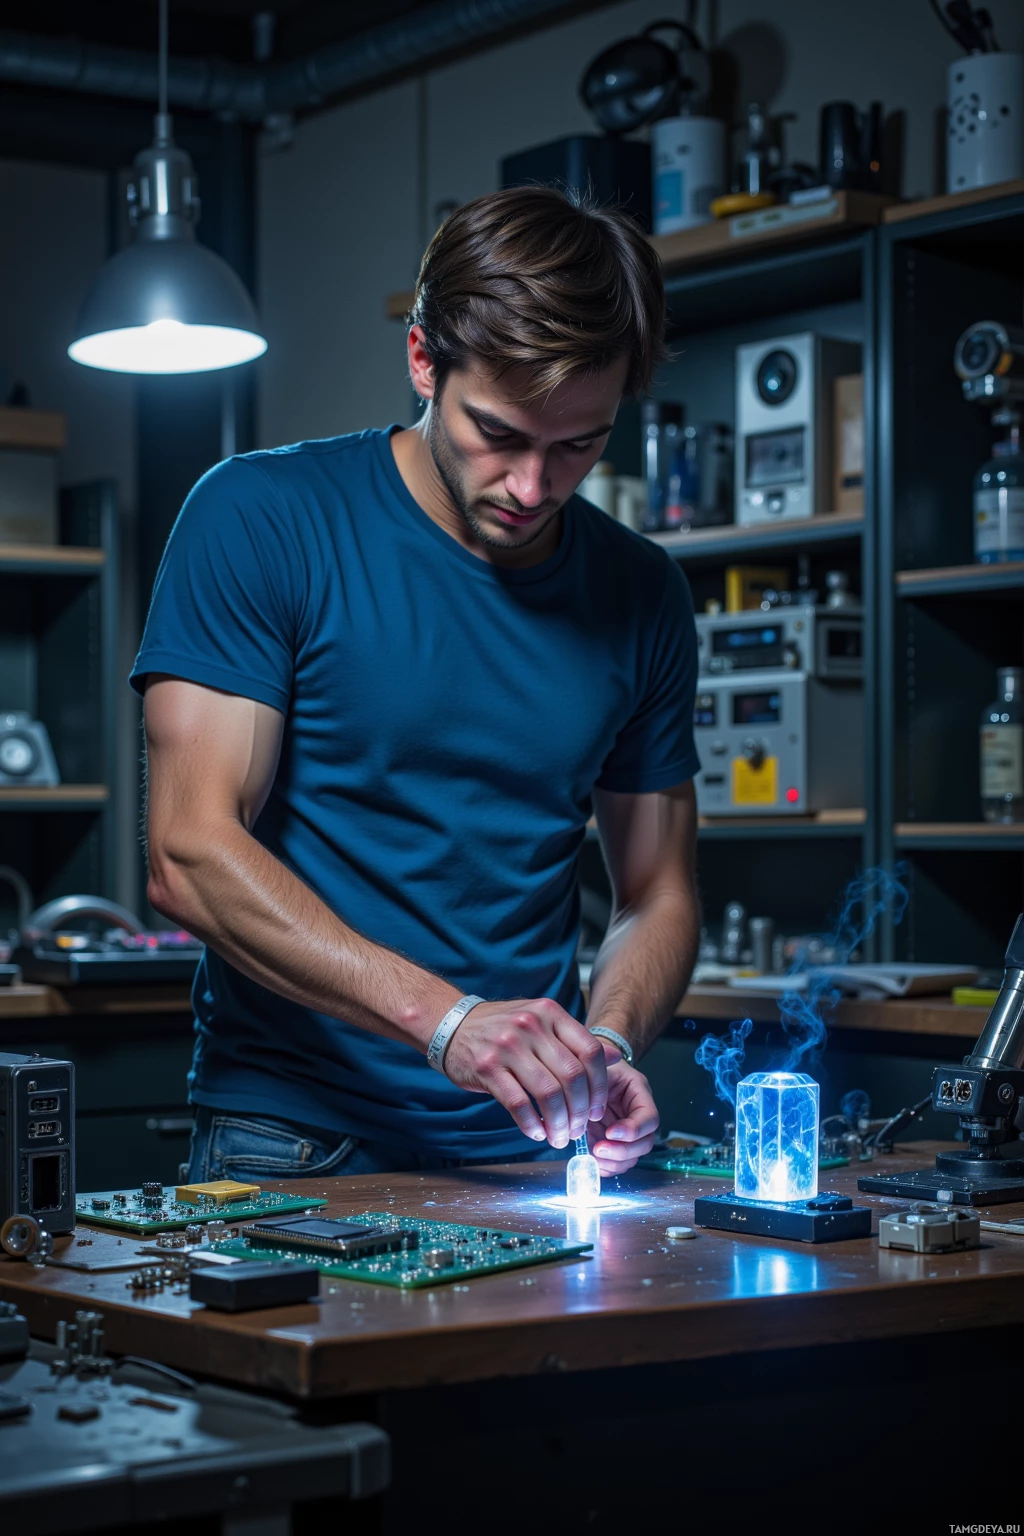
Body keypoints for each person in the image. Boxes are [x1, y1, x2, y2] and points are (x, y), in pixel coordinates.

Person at [133, 185, 701, 1184]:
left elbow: (654, 894)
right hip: (295, 1141)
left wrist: (603, 1050)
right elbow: (189, 852)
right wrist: (447, 1025)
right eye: (500, 434)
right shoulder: (261, 518)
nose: (533, 486)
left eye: (578, 444)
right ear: (422, 359)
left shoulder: (641, 592)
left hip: (534, 1151)